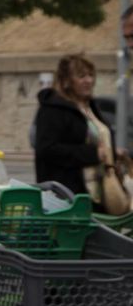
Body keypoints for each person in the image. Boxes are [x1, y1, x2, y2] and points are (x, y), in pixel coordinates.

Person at [34, 53, 117, 207]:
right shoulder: (53, 109)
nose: (89, 81)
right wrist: (93, 154)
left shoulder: (89, 106)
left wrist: (114, 152)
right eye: (82, 76)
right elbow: (47, 149)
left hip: (98, 191)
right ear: (66, 81)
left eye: (91, 75)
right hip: (68, 196)